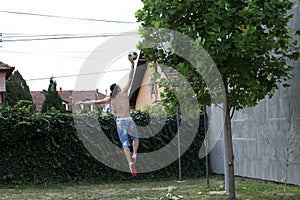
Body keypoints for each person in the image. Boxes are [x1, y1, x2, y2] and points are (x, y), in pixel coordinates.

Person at [76, 57, 139, 176]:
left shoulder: (110, 98)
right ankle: (135, 154)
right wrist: (132, 65)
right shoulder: (124, 92)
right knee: (135, 138)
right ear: (118, 88)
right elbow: (131, 77)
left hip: (120, 121)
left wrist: (83, 102)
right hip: (129, 119)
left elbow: (95, 102)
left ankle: (130, 163)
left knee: (125, 144)